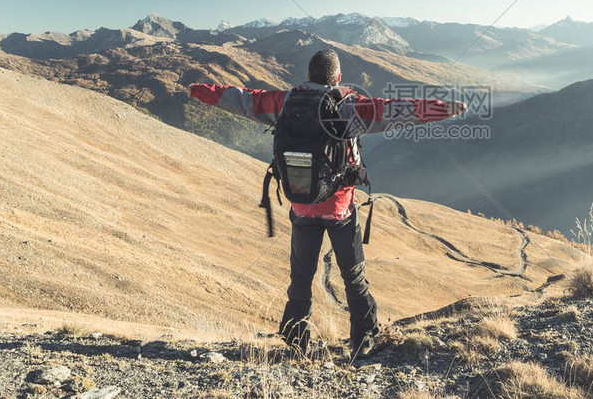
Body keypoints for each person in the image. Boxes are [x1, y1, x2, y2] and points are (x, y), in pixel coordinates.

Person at [189, 48, 467, 358]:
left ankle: (296, 339)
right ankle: (364, 340)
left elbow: (241, 98)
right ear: (337, 78)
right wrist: (444, 109)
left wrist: (201, 91)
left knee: (301, 277)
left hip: (301, 205)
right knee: (353, 276)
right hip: (339, 210)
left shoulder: (285, 102)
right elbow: (398, 110)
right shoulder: (350, 108)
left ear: (308, 76)